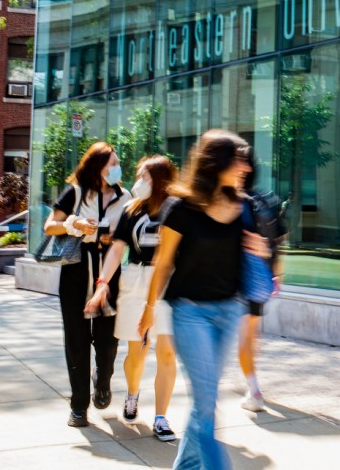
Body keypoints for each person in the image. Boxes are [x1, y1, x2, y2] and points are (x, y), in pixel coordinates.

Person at [138, 129, 270, 470]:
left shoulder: (245, 207)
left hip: (229, 310)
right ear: (217, 163)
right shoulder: (181, 208)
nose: (244, 166)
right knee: (207, 401)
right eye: (237, 159)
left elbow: (253, 255)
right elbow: (163, 263)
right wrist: (149, 311)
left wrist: (259, 250)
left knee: (203, 402)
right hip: (190, 313)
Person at [85, 155, 179, 441]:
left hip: (170, 283)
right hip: (137, 280)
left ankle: (161, 416)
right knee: (136, 352)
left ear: (160, 178)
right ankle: (132, 394)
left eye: (145, 177)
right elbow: (117, 249)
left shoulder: (178, 209)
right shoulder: (132, 209)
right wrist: (102, 283)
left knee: (166, 351)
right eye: (139, 176)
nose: (139, 182)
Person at [43, 141, 131, 428]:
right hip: (76, 271)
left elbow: (128, 235)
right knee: (77, 341)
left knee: (108, 341)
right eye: (113, 163)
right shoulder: (76, 192)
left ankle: (102, 379)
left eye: (118, 164)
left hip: (110, 273)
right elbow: (49, 227)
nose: (118, 168)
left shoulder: (125, 196)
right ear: (98, 166)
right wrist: (75, 225)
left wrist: (114, 237)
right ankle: (78, 405)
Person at [237, 146, 287, 412]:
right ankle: (251, 381)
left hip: (239, 278)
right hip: (260, 278)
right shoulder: (264, 199)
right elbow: (278, 240)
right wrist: (276, 271)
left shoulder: (235, 201)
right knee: (250, 336)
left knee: (245, 337)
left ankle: (254, 390)